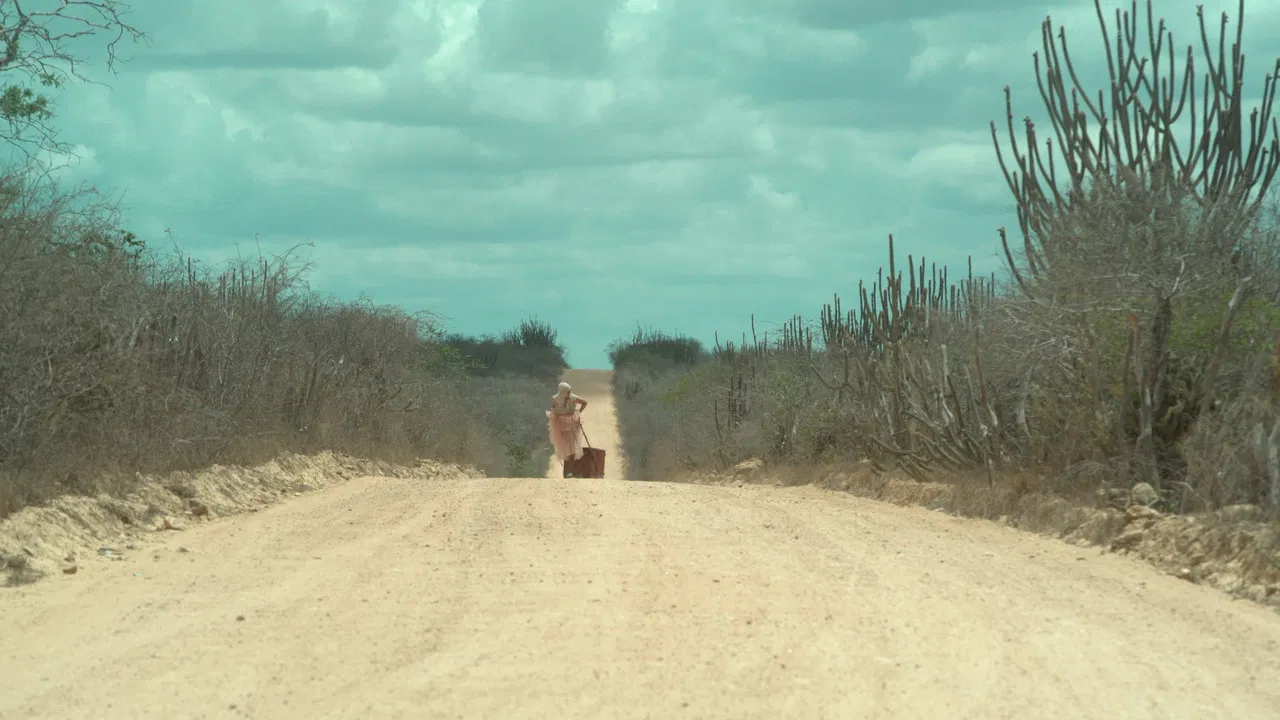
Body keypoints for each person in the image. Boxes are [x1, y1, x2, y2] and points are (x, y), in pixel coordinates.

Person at [546, 381, 588, 465]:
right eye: (567, 392)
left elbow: (584, 402)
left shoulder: (573, 397)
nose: (569, 393)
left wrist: (579, 412)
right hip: (560, 423)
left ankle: (571, 466)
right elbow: (554, 410)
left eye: (569, 391)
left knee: (571, 444)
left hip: (571, 422)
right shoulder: (555, 398)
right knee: (563, 445)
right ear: (562, 392)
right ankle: (567, 466)